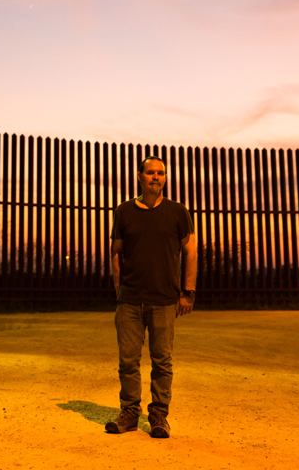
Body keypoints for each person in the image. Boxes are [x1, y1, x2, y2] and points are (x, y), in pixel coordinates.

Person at [105, 155, 197, 439]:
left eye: (161, 173)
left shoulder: (178, 212)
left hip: (164, 299)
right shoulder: (124, 212)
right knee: (128, 362)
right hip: (130, 300)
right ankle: (129, 414)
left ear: (165, 178)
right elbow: (116, 253)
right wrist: (119, 289)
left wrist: (188, 292)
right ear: (139, 176)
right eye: (150, 173)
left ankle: (159, 415)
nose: (156, 177)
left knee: (162, 361)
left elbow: (190, 252)